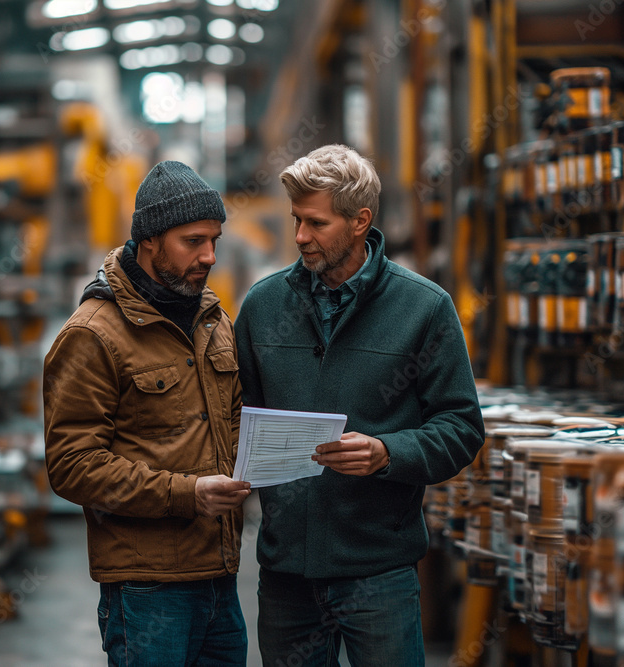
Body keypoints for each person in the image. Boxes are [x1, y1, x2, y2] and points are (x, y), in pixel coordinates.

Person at [234, 144, 485, 666]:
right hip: (287, 575)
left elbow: (461, 427)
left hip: (378, 573)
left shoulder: (424, 309)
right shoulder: (263, 308)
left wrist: (387, 452)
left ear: (359, 221)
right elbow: (235, 420)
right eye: (296, 220)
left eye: (316, 223)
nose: (300, 236)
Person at [44, 160, 252, 667]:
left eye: (214, 241)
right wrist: (188, 494)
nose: (209, 256)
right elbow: (72, 465)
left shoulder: (212, 319)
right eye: (193, 241)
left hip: (221, 577)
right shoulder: (94, 334)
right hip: (147, 588)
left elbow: (235, 418)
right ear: (150, 240)